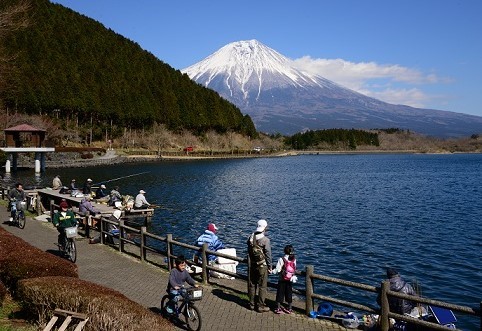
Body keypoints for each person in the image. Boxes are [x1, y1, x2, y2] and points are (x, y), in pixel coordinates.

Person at [247, 219, 272, 313]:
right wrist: (270, 266)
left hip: (252, 264)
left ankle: (251, 304)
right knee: (262, 286)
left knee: (252, 284)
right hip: (262, 266)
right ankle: (261, 305)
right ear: (265, 228)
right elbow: (268, 255)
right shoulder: (265, 240)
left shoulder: (250, 237)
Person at [271, 245, 297, 314]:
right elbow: (294, 268)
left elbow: (278, 270)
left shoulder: (281, 259)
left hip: (282, 279)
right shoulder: (294, 259)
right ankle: (290, 308)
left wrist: (271, 271)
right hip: (290, 279)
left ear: (284, 251)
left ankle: (278, 308)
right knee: (289, 293)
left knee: (280, 293)